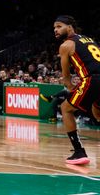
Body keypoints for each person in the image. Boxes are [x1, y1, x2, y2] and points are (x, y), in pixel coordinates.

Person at [53, 15, 100, 165]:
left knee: (65, 108)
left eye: (59, 26)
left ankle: (79, 152)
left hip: (92, 79)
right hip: (96, 78)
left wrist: (71, 88)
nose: (56, 30)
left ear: (70, 27)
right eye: (54, 27)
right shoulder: (88, 39)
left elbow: (66, 76)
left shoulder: (66, 45)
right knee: (97, 113)